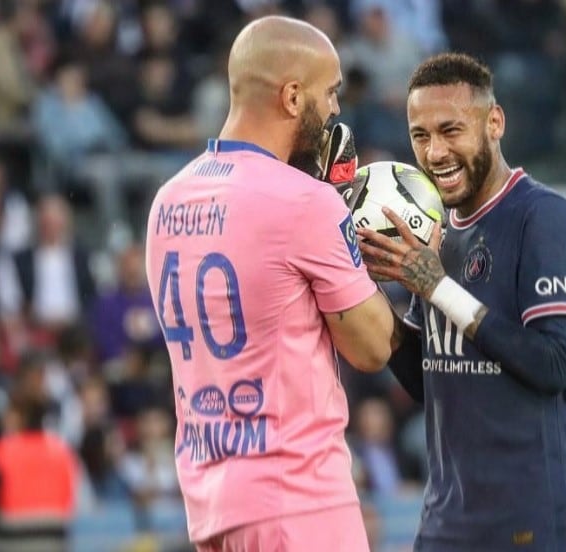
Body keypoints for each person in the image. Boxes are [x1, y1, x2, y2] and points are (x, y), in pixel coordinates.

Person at [144, 15, 395, 552]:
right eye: (330, 93)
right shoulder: (305, 201)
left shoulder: (168, 199)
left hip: (210, 501)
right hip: (298, 500)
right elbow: (373, 348)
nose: (335, 112)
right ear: (292, 96)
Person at [358, 52, 566, 551]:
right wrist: (363, 283)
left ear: (494, 122)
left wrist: (438, 288)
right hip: (449, 523)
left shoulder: (544, 218)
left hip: (537, 523)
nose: (434, 153)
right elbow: (431, 380)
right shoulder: (436, 234)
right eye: (421, 135)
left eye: (451, 130)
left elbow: (554, 364)